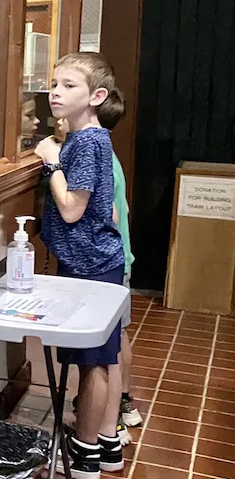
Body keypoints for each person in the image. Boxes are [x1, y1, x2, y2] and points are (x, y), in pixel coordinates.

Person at [34, 52, 126, 479]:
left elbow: (72, 209)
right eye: (55, 83)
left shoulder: (87, 141)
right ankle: (105, 446)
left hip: (90, 265)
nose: (56, 92)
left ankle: (85, 454)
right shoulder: (88, 139)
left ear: (96, 96)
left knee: (94, 361)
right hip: (92, 261)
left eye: (69, 85)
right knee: (101, 358)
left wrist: (51, 160)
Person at [97, 87, 142, 439]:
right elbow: (124, 207)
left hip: (112, 259)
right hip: (122, 255)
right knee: (119, 333)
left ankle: (112, 418)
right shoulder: (110, 154)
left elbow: (112, 212)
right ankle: (125, 403)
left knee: (112, 339)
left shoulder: (97, 158)